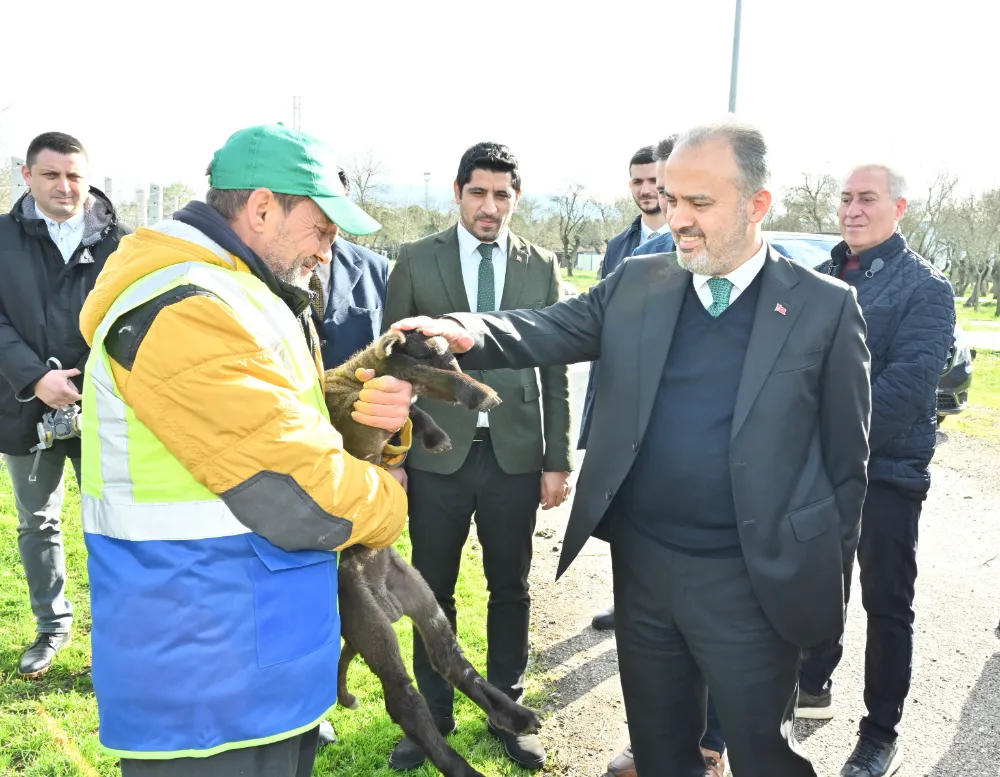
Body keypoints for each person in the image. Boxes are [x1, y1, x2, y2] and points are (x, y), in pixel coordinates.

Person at [390, 120, 873, 777]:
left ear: (758, 204)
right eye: (672, 200)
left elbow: (847, 473)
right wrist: (464, 328)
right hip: (646, 574)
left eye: (699, 203)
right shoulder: (640, 281)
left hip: (752, 584)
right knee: (661, 746)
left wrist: (818, 595)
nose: (678, 219)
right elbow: (548, 327)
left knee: (764, 755)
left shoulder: (824, 307)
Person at [77, 123, 413, 777]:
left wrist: (373, 416)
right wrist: (390, 498)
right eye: (321, 227)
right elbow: (299, 491)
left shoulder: (246, 296)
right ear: (262, 208)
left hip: (257, 663)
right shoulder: (184, 309)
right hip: (205, 687)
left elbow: (292, 424)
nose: (328, 250)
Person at [382, 141, 572, 772]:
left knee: (510, 588)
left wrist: (557, 457)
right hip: (438, 455)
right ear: (458, 193)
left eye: (502, 195)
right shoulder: (414, 259)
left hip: (514, 455)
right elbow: (394, 365)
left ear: (516, 198)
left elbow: (555, 367)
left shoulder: (541, 264)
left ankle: (506, 711)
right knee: (430, 590)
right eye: (479, 193)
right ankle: (430, 716)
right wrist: (394, 453)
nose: (490, 207)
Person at [798, 164, 955, 777]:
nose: (852, 209)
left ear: (899, 208)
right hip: (818, 470)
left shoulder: (927, 287)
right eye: (845, 198)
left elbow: (909, 386)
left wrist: (832, 442)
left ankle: (879, 732)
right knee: (815, 585)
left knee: (886, 603)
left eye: (867, 198)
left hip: (888, 471)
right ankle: (812, 682)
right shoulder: (821, 276)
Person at [603, 131, 727, 777]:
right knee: (652, 649)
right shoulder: (641, 262)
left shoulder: (792, 291)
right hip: (651, 503)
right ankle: (656, 748)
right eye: (662, 192)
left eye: (689, 196)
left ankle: (710, 746)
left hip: (729, 527)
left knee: (715, 646)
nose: (670, 206)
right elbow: (584, 333)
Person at [0, 132, 129, 679]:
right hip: (24, 405)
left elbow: (138, 320)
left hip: (107, 410)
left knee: (117, 522)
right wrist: (36, 378)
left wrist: (92, 381)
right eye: (51, 175)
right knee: (38, 523)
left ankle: (120, 636)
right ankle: (51, 627)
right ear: (26, 177)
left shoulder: (124, 242)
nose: (64, 186)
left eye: (74, 175)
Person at [303, 167, 395, 750]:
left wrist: (391, 449)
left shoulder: (377, 270)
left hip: (359, 462)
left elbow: (395, 365)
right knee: (303, 584)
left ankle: (322, 691)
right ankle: (307, 703)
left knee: (352, 584)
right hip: (293, 455)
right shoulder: (258, 278)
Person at [579, 144, 665, 460]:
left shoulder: (690, 241)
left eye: (654, 180)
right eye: (637, 182)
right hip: (622, 390)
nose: (646, 189)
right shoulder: (618, 246)